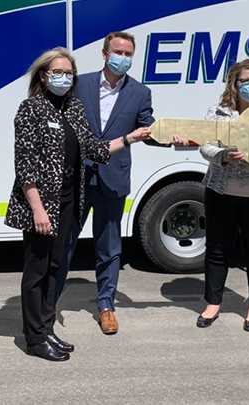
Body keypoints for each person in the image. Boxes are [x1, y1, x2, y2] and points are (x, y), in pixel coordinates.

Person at [4, 47, 151, 361]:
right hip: (41, 204)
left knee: (55, 268)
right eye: (57, 72)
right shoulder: (31, 108)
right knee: (37, 272)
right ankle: (34, 338)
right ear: (43, 76)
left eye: (68, 73)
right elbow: (25, 165)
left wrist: (129, 139)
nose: (63, 77)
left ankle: (46, 330)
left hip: (68, 201)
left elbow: (95, 150)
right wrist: (37, 208)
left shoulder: (73, 108)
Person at [56, 31, 156, 335]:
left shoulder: (140, 92)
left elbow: (148, 128)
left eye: (128, 54)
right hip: (77, 175)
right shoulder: (80, 84)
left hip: (113, 178)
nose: (123, 58)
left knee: (109, 247)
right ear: (104, 54)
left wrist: (170, 137)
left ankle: (106, 306)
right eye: (118, 52)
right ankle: (50, 303)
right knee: (65, 243)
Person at [188, 59, 249, 333]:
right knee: (217, 249)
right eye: (244, 81)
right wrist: (222, 155)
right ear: (234, 83)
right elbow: (203, 146)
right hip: (220, 190)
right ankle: (213, 303)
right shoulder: (218, 111)